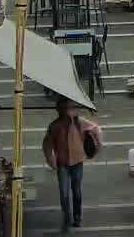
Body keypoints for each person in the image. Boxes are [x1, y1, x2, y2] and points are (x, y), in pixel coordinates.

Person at [43, 95, 101, 230]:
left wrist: (96, 148)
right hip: (62, 163)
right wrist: (51, 160)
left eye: (67, 108)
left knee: (76, 191)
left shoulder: (79, 122)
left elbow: (95, 129)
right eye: (63, 108)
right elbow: (47, 144)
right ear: (59, 110)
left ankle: (77, 217)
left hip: (77, 161)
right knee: (64, 192)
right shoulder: (54, 126)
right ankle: (67, 219)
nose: (65, 111)